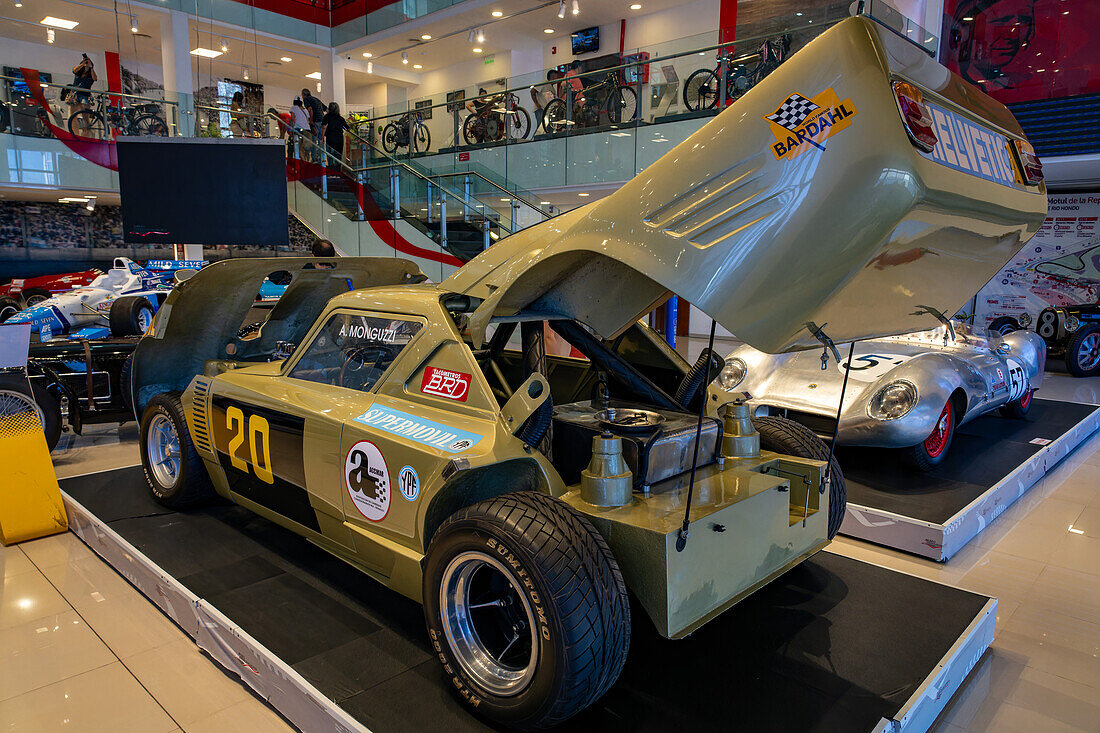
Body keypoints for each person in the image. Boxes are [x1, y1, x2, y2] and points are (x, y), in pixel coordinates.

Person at [67, 53, 97, 136]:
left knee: (85, 117)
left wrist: (91, 67)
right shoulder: (78, 72)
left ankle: (86, 133)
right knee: (72, 116)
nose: (86, 65)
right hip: (75, 95)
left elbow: (95, 78)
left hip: (85, 96)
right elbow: (74, 70)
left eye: (88, 63)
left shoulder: (91, 74)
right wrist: (83, 64)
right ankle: (74, 133)